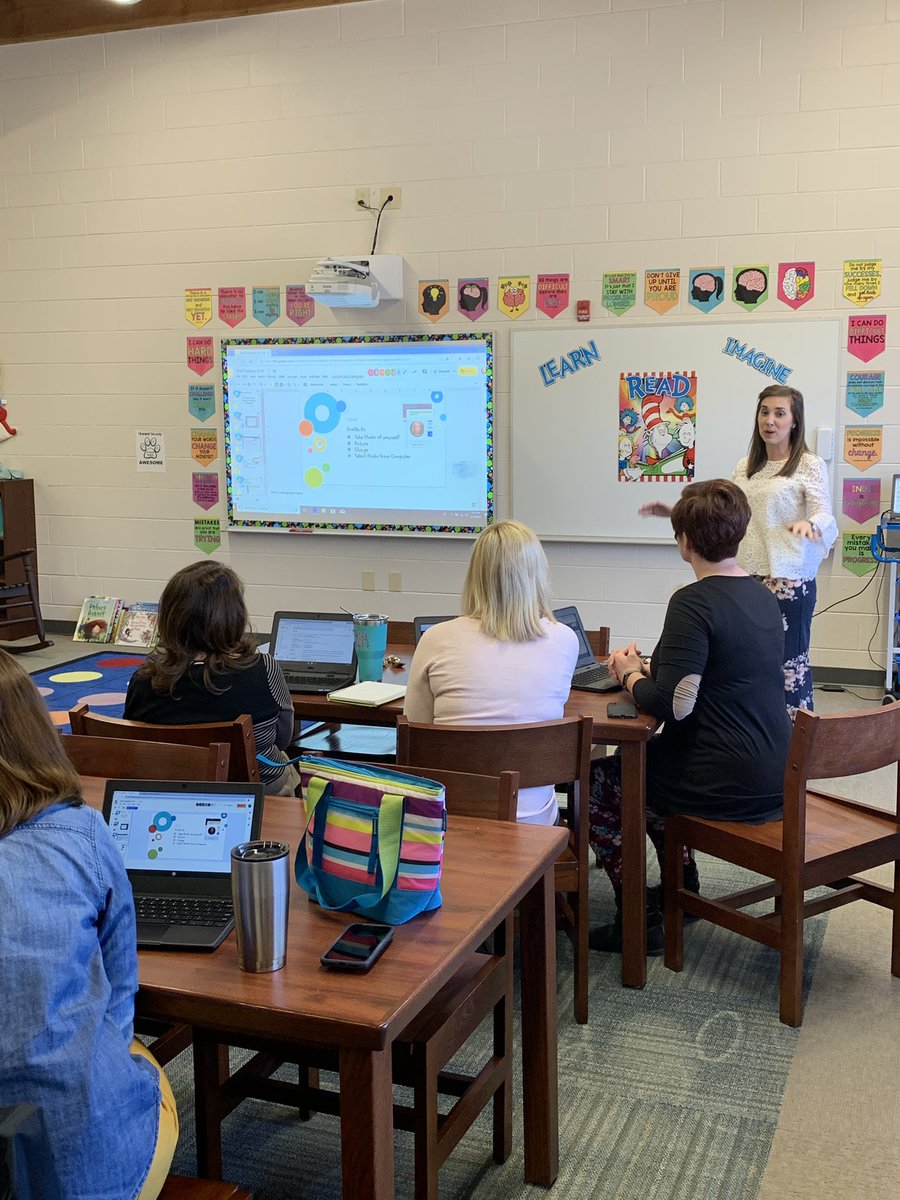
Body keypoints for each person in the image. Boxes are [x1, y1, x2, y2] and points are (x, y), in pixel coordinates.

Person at [0, 649, 178, 1199]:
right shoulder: (81, 835)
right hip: (78, 1163)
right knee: (132, 1057)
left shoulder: (149, 677)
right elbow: (121, 990)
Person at [590, 480, 792, 954]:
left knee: (602, 783)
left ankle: (637, 920)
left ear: (684, 543)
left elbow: (674, 704)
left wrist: (626, 675)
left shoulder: (693, 601)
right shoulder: (763, 595)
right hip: (773, 771)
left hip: (723, 778)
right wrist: (645, 669)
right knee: (648, 767)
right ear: (738, 533)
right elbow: (698, 673)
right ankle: (684, 884)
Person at [641, 384, 837, 716]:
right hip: (744, 578)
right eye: (764, 412)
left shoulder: (808, 464)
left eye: (779, 413)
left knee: (787, 666)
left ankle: (792, 744)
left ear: (794, 421)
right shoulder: (746, 466)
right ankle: (748, 732)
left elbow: (824, 512)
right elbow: (725, 514)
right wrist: (678, 512)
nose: (770, 421)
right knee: (742, 665)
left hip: (788, 579)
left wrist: (813, 526)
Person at [403, 519, 579, 825]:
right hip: (534, 823)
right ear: (536, 574)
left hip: (451, 820)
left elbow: (415, 732)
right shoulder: (564, 639)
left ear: (476, 575)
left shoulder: (436, 639)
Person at [124, 561, 297, 793]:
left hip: (169, 791)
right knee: (288, 768)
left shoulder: (144, 679)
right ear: (233, 615)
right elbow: (282, 736)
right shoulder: (264, 669)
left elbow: (132, 743)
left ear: (169, 616)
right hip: (255, 792)